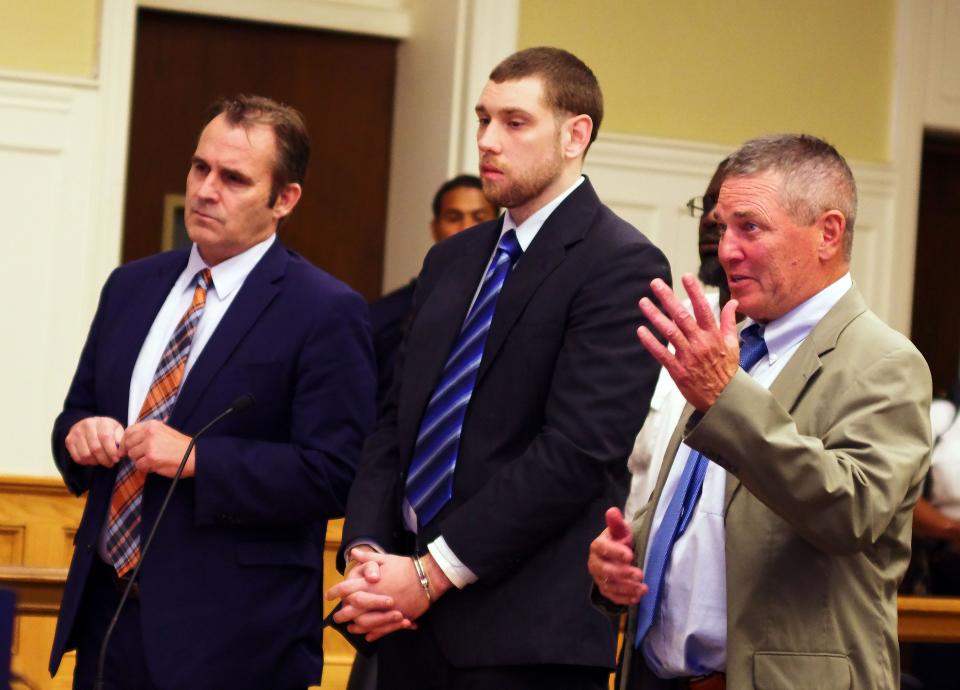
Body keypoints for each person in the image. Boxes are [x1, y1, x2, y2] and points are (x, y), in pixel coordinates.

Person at [328, 46, 670, 690]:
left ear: (576, 135)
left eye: (514, 123)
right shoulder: (452, 261)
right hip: (399, 623)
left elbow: (575, 453)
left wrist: (431, 572)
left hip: (522, 638)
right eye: (483, 119)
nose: (487, 141)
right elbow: (395, 423)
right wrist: (369, 551)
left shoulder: (620, 263)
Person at [49, 95, 376, 690]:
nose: (205, 189)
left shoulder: (325, 311)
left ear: (285, 200)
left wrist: (201, 460)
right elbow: (75, 413)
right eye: (200, 168)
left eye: (233, 178)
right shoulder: (131, 286)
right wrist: (78, 435)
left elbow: (335, 472)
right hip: (107, 619)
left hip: (233, 641)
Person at [589, 133, 932, 689]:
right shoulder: (734, 346)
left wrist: (725, 398)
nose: (725, 249)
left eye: (750, 227)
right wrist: (624, 555)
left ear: (827, 233)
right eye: (722, 226)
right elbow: (701, 512)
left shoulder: (885, 361)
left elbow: (851, 512)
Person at [625, 158, 730, 519]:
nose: (713, 217)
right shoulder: (672, 322)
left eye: (730, 207)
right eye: (708, 203)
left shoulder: (770, 340)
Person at [370, 175, 498, 405]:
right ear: (435, 228)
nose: (466, 228)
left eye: (479, 217)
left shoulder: (512, 305)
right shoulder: (384, 317)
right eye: (453, 217)